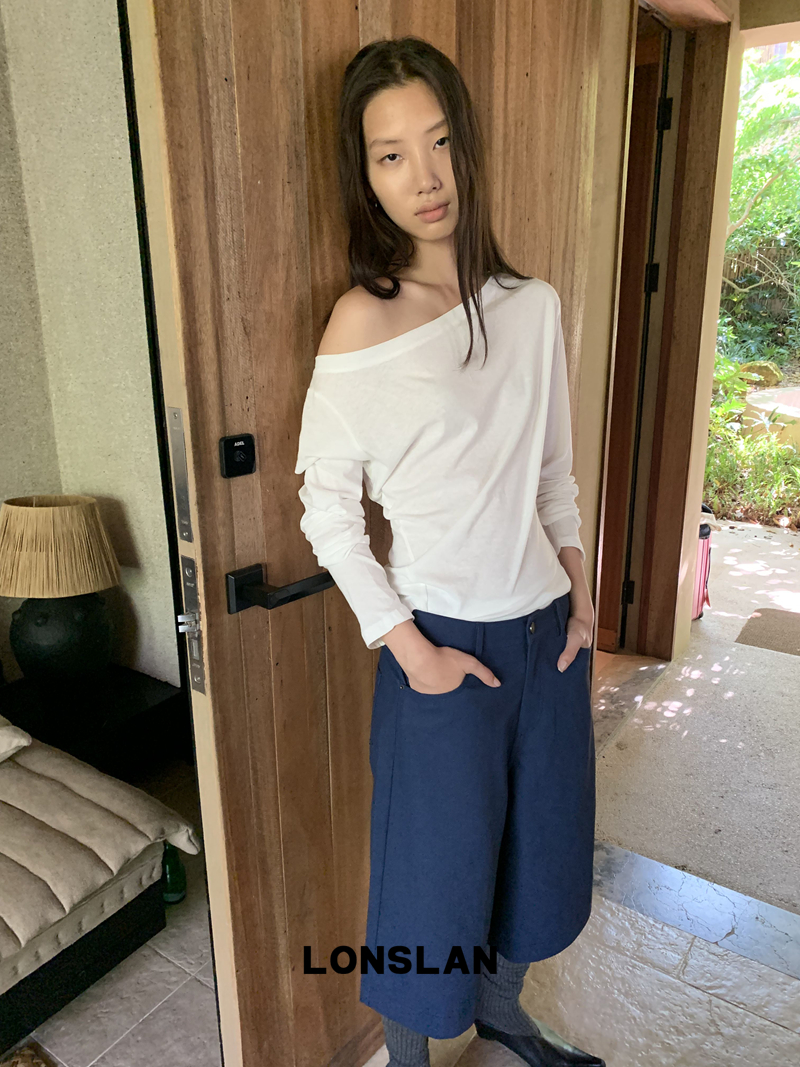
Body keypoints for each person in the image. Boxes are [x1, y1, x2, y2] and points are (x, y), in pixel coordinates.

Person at [294, 36, 604, 1067]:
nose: (423, 177)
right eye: (390, 155)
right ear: (366, 175)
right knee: (428, 883)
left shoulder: (532, 307)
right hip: (439, 644)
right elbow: (327, 511)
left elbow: (553, 476)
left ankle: (507, 1016)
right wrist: (408, 648)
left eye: (436, 143)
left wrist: (580, 591)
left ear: (466, 146)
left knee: (536, 859)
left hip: (547, 637)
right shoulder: (361, 323)